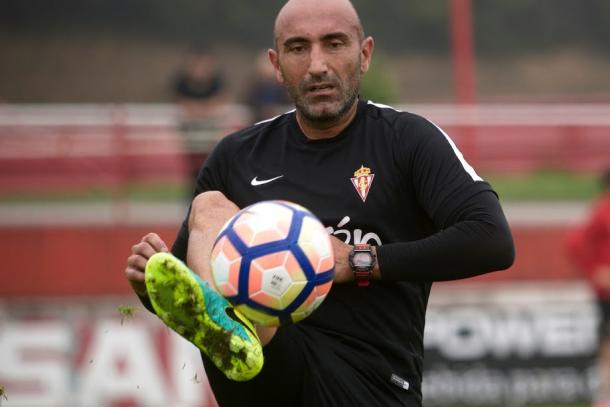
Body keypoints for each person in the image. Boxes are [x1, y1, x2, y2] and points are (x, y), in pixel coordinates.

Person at [125, 1, 515, 405]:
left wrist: (357, 262)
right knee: (209, 207)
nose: (316, 65)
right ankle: (231, 326)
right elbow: (186, 294)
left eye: (333, 44)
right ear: (276, 65)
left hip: (367, 386)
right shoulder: (236, 156)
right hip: (266, 373)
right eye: (298, 48)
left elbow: (491, 239)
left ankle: (237, 325)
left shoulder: (407, 141)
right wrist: (150, 288)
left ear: (364, 55)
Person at [566, 168, 610, 405]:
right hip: (607, 292)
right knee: (608, 339)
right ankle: (606, 394)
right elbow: (575, 243)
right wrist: (595, 272)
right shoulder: (602, 211)